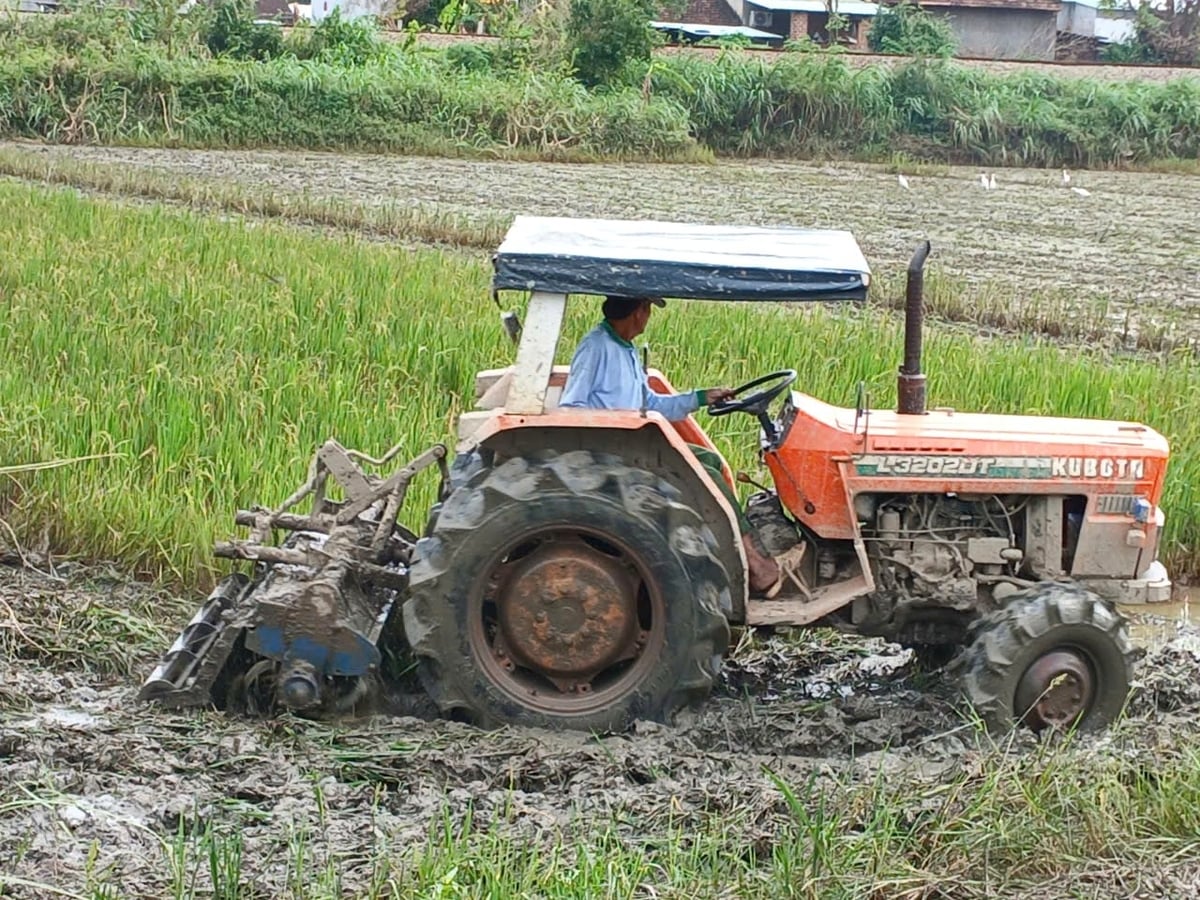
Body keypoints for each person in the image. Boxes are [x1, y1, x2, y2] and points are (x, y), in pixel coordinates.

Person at [559, 294, 801, 598]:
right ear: (639, 311)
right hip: (617, 452)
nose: (648, 317)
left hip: (636, 445)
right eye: (648, 310)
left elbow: (652, 403)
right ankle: (757, 567)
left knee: (709, 461)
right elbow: (572, 405)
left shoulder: (626, 350)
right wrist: (616, 431)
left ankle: (743, 554)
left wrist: (701, 397)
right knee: (704, 474)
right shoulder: (596, 347)